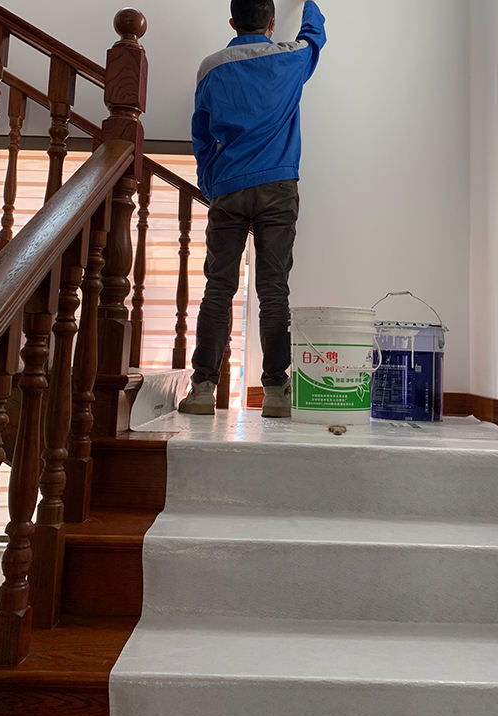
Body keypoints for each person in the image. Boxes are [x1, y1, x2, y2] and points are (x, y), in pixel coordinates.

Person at [178, 0, 326, 417]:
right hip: (278, 186)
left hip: (229, 186)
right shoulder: (291, 58)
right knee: (274, 289)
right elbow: (315, 36)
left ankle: (203, 390)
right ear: (272, 22)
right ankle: (276, 392)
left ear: (232, 22)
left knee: (218, 288)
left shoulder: (210, 68)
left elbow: (201, 136)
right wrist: (309, 4)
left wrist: (210, 183)